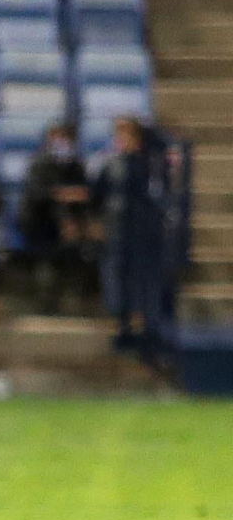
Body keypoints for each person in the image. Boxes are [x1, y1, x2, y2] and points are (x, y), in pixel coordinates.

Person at [92, 116, 168, 355]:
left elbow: (156, 196)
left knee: (143, 283)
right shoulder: (111, 164)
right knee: (117, 281)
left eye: (127, 135)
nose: (122, 141)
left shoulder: (149, 164)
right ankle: (122, 328)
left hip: (142, 234)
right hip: (117, 234)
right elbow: (97, 196)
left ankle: (149, 331)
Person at [18, 122, 91, 315]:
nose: (61, 145)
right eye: (57, 139)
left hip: (72, 226)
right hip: (41, 223)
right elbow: (38, 195)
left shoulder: (76, 165)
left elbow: (85, 195)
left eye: (65, 140)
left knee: (82, 251)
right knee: (47, 258)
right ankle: (45, 304)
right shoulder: (39, 164)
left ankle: (75, 302)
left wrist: (75, 220)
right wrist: (62, 197)